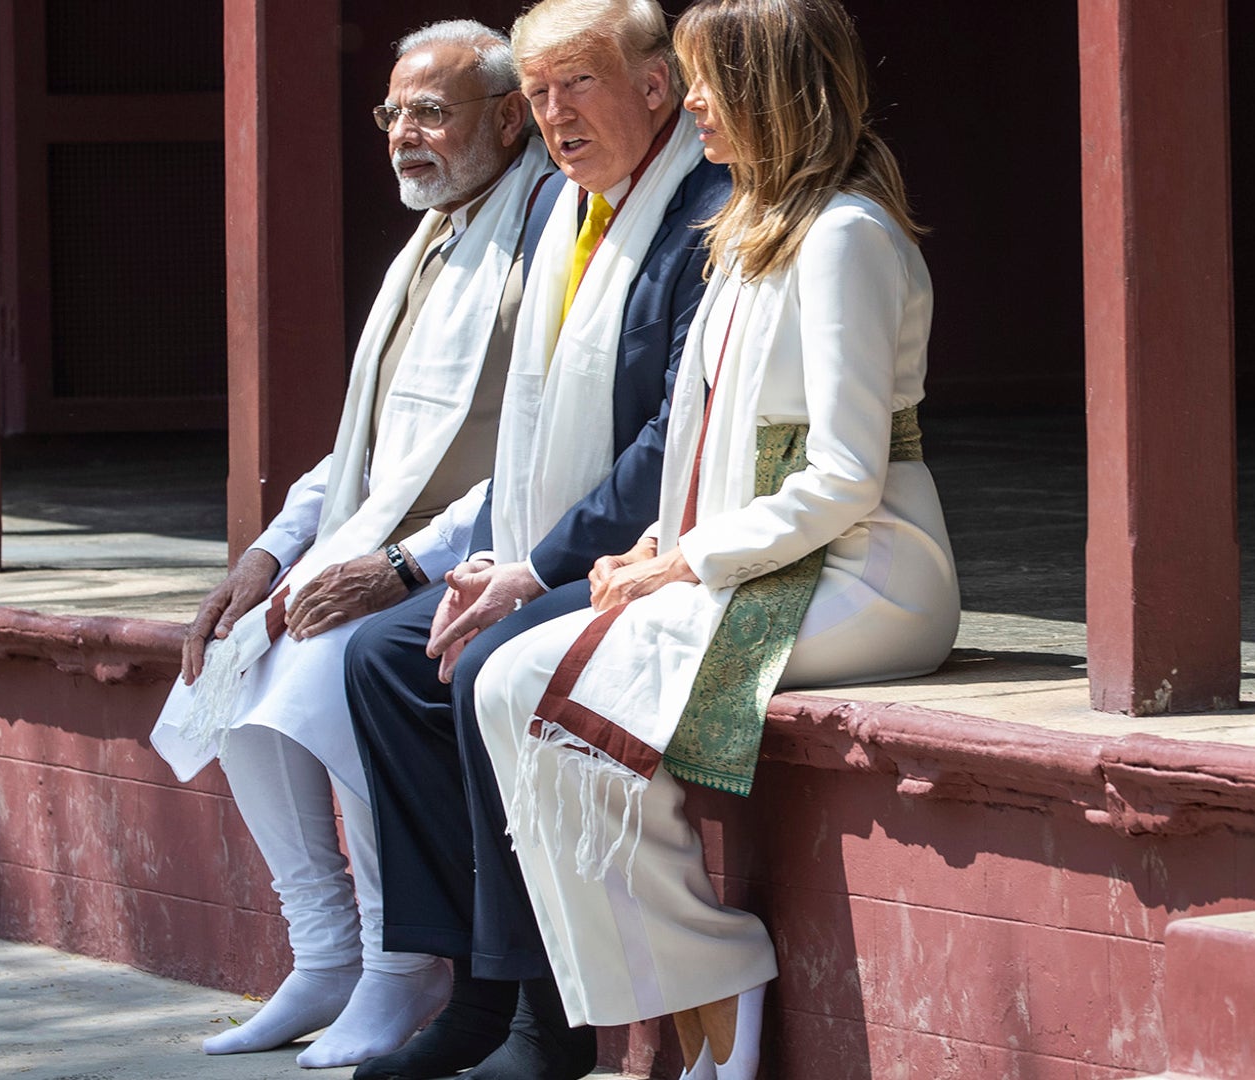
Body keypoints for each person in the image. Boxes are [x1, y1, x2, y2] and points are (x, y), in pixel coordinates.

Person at [472, 1, 960, 1077]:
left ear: (775, 89)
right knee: (508, 687)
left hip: (860, 577)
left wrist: (687, 560)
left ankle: (721, 982)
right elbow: (705, 441)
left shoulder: (845, 237)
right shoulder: (748, 234)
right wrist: (654, 543)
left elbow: (841, 474)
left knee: (557, 699)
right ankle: (690, 1002)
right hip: (758, 563)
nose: (690, 101)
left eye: (707, 80)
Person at [145, 21, 554, 1069]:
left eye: (430, 113)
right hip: (383, 539)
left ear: (508, 118)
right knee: (235, 662)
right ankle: (324, 952)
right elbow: (365, 450)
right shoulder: (433, 235)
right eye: (391, 114)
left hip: (481, 545)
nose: (403, 136)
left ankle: (397, 959)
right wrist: (270, 555)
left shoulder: (547, 232)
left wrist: (400, 569)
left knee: (332, 663)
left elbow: (543, 452)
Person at [343, 2, 730, 1077]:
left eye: (580, 86)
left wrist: (538, 567)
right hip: (550, 542)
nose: (556, 116)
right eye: (544, 92)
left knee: (484, 670)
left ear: (656, 89)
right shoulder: (570, 208)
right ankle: (475, 983)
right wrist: (498, 553)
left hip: (662, 549)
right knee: (386, 658)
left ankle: (546, 1021)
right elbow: (529, 414)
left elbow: (672, 441)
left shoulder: (707, 213)